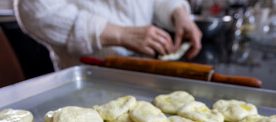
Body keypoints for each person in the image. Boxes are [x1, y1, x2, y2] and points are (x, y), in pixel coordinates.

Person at [14, 0, 202, 70]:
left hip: (142, 73)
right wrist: (120, 34)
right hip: (87, 76)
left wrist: (177, 11)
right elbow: (34, 8)